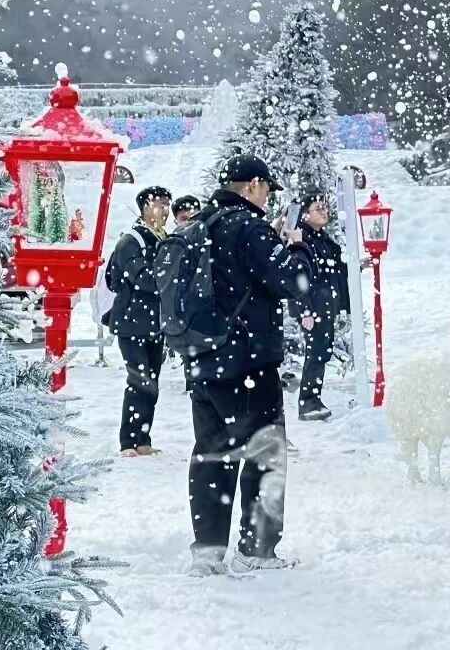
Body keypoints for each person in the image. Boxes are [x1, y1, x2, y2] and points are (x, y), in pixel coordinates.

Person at [185, 154, 314, 577]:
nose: (267, 197)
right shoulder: (249, 228)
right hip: (247, 361)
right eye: (266, 189)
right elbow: (293, 282)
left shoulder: (200, 225)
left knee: (211, 454)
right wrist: (294, 244)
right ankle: (257, 549)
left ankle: (207, 551)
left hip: (203, 358)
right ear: (253, 185)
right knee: (266, 453)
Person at [106, 185, 172, 457]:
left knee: (151, 382)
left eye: (168, 204)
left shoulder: (163, 237)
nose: (166, 210)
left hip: (154, 323)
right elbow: (144, 279)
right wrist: (170, 275)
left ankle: (143, 439)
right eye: (160, 204)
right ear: (145, 206)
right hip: (132, 322)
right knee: (138, 380)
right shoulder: (131, 240)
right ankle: (127, 441)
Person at [293, 193, 350, 422]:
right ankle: (308, 402)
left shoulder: (323, 239)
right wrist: (304, 309)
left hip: (326, 306)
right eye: (318, 208)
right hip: (314, 307)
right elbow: (299, 276)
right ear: (306, 214)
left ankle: (313, 399)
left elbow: (338, 266)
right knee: (316, 353)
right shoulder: (303, 240)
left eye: (325, 208)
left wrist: (358, 266)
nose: (324, 212)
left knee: (321, 352)